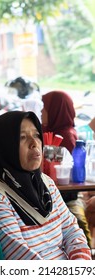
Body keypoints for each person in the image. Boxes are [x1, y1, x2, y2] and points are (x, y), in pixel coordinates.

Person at [0, 111, 91, 260]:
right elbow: (20, 258)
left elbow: (71, 230)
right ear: (4, 147)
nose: (34, 143)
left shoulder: (45, 183)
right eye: (22, 137)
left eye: (37, 135)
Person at [41, 90, 92, 248]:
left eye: (45, 107)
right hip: (47, 195)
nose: (42, 111)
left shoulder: (68, 137)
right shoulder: (42, 134)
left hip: (65, 197)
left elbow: (64, 173)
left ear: (56, 110)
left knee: (78, 226)